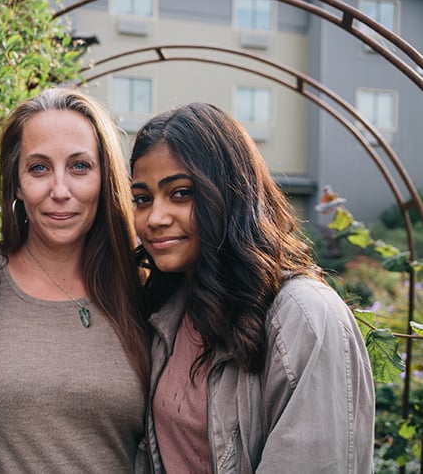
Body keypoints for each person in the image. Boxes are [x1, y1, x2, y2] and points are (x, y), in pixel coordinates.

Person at [129, 102, 375, 473]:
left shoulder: (304, 318)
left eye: (180, 193)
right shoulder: (169, 309)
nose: (154, 218)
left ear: (229, 193)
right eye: (142, 199)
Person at [0, 86, 150, 473]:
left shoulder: (143, 287)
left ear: (105, 178)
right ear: (18, 184)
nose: (60, 191)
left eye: (80, 167)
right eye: (39, 168)